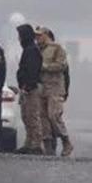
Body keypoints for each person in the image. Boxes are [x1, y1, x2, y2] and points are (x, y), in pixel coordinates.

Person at [36, 27, 74, 157]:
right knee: (43, 118)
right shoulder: (37, 49)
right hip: (42, 87)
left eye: (39, 35)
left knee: (54, 115)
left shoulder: (57, 48)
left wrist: (43, 67)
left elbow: (61, 65)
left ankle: (66, 141)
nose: (37, 38)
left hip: (55, 87)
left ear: (46, 35)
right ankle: (48, 147)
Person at [15, 24, 43, 155]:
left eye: (20, 36)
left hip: (30, 88)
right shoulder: (28, 49)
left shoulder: (31, 50)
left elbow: (32, 71)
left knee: (32, 116)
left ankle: (36, 144)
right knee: (26, 116)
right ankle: (29, 142)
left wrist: (27, 85)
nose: (18, 39)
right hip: (26, 88)